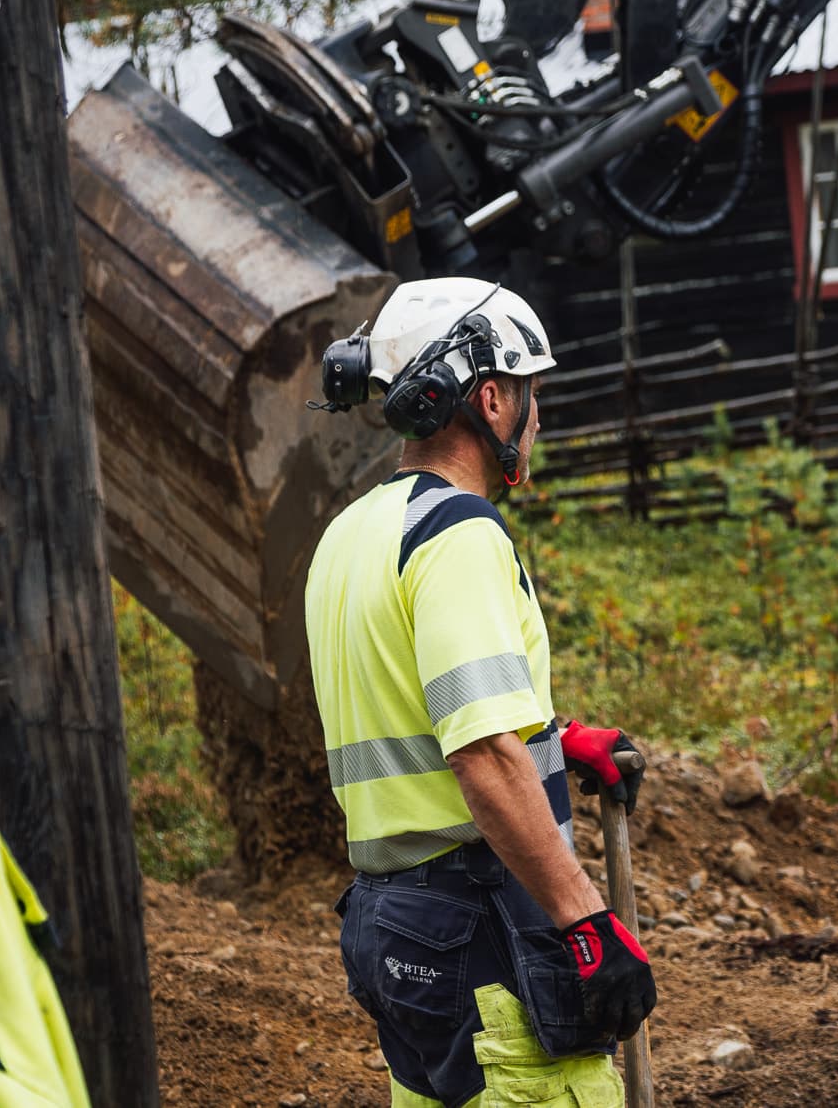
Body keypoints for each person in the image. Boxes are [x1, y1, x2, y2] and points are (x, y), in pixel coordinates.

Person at [304, 277, 655, 1107]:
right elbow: (481, 754)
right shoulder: (457, 531)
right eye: (532, 393)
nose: (538, 417)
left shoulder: (349, 536)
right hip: (481, 922)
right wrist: (586, 921)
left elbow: (415, 705)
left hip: (392, 924)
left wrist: (551, 741)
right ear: (492, 398)